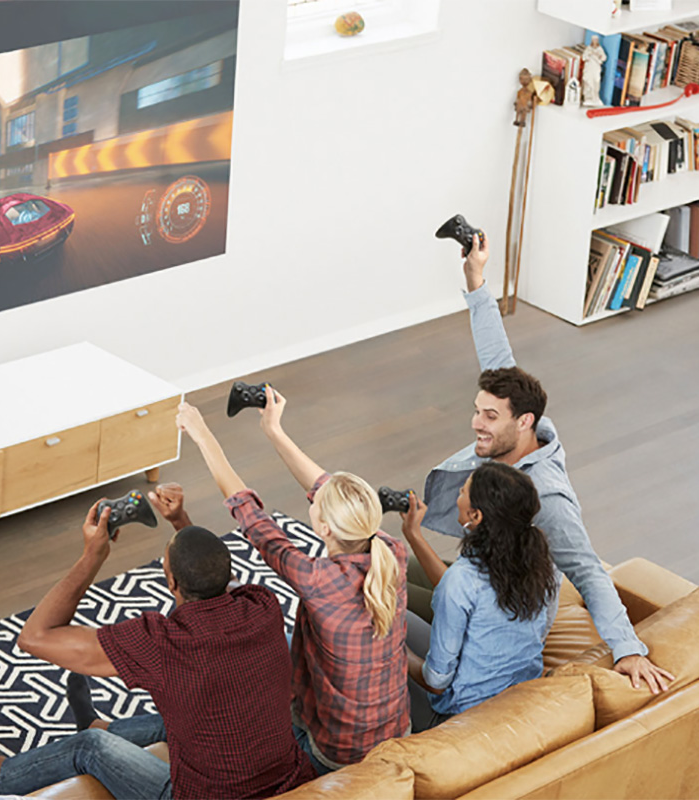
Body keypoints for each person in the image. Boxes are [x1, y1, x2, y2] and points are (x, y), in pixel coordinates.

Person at [413, 230, 674, 693]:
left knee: (393, 602)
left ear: (523, 421)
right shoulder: (523, 429)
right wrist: (476, 283)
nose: (476, 423)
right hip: (483, 564)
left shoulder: (546, 498)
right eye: (477, 410)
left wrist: (628, 649)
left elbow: (589, 571)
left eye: (489, 416)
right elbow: (499, 357)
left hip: (506, 592)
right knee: (396, 575)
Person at [0, 493, 316, 800]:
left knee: (90, 746)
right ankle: (103, 723)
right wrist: (180, 521)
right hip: (287, 781)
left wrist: (93, 555)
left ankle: (1, 775)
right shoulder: (262, 606)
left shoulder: (161, 643)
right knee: (197, 709)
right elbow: (216, 574)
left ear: (171, 581)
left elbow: (35, 636)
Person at [178, 397, 409, 774]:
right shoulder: (391, 550)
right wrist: (274, 431)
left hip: (336, 752)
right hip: (396, 731)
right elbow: (327, 489)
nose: (315, 498)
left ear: (323, 529)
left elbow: (249, 514)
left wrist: (201, 434)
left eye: (317, 504)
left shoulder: (316, 579)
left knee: (253, 661)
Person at [401, 461, 559, 731]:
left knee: (387, 615)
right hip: (515, 695)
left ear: (475, 517)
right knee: (404, 569)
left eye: (462, 492)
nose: (457, 497)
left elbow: (436, 683)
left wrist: (398, 653)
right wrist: (414, 535)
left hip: (458, 717)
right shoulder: (544, 563)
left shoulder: (462, 579)